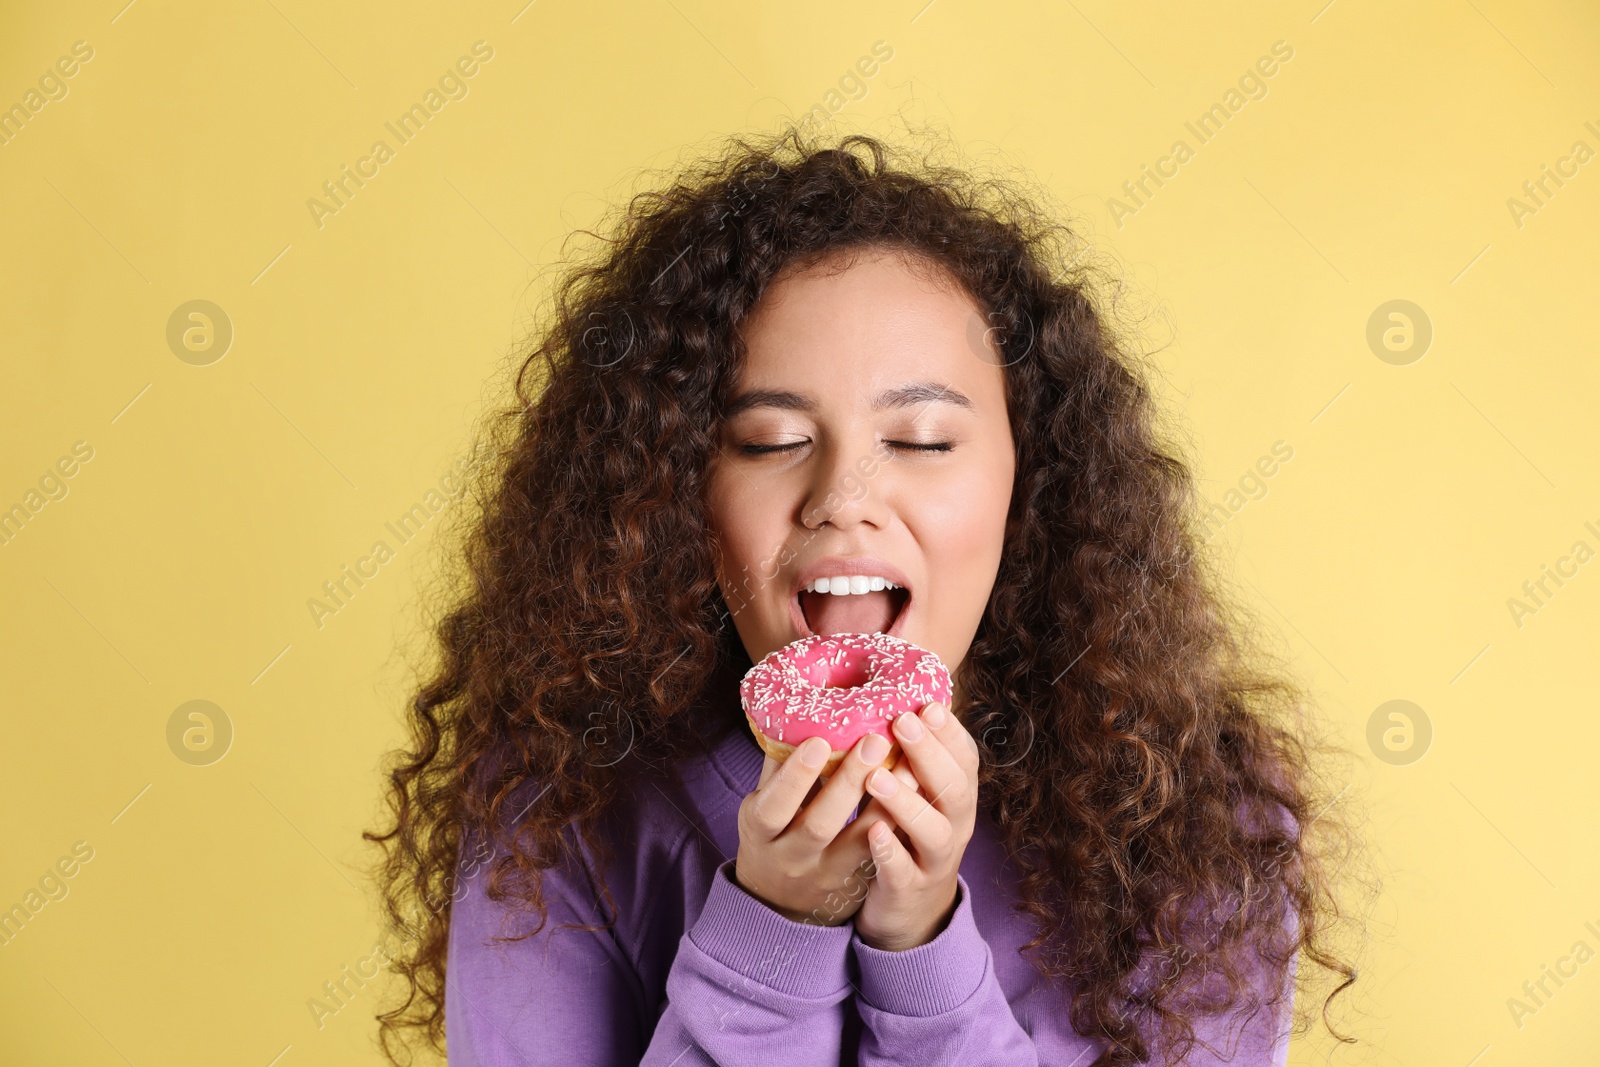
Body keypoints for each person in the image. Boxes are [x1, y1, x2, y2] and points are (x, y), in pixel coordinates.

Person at [364, 127, 1359, 1066]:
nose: (842, 500)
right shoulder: (553, 797)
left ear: (1031, 481)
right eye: (766, 440)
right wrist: (773, 927)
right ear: (676, 488)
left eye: (923, 439)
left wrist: (921, 950)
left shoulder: (1198, 817)